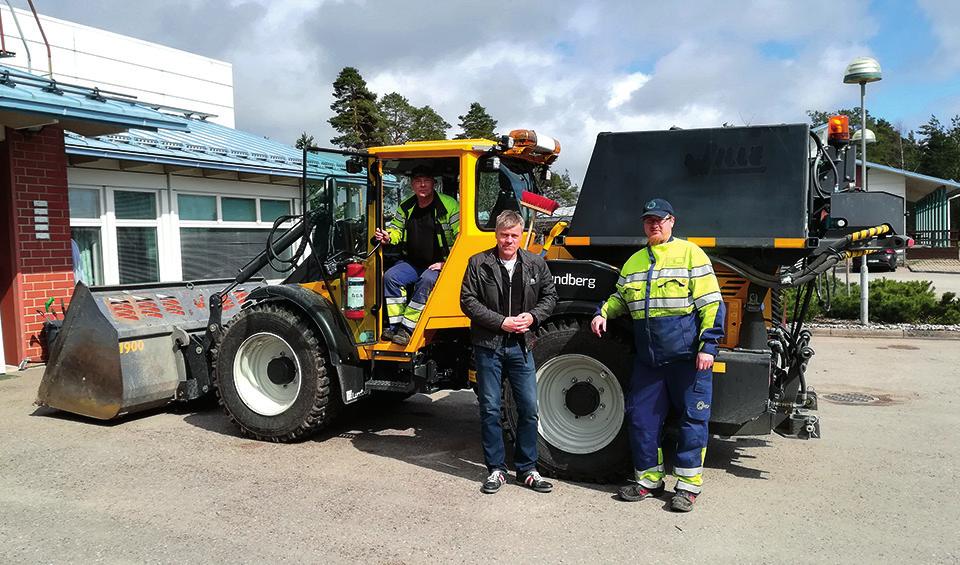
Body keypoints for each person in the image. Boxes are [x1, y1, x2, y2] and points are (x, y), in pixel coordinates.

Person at [591, 198, 725, 512]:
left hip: (687, 359)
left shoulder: (691, 254)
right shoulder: (634, 262)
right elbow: (621, 298)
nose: (654, 225)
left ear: (672, 221)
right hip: (649, 362)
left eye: (660, 220)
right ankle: (648, 480)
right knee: (641, 420)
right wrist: (603, 313)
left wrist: (708, 346)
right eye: (649, 220)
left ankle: (688, 487)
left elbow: (712, 304)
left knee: (693, 421)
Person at [460, 210, 558, 494]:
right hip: (488, 346)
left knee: (528, 408)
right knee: (490, 409)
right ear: (496, 234)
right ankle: (496, 470)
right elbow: (468, 301)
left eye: (514, 235)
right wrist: (500, 322)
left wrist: (533, 317)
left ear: (520, 235)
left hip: (521, 346)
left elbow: (550, 297)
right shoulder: (478, 263)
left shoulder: (535, 264)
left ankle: (527, 469)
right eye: (504, 235)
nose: (509, 240)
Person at [374, 165, 460, 345]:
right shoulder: (406, 206)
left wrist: (448, 264)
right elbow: (396, 230)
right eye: (418, 181)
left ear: (434, 184)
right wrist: (388, 237)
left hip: (440, 264)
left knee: (427, 280)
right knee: (390, 277)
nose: (422, 185)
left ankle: (407, 329)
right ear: (412, 185)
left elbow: (461, 235)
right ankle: (395, 327)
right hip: (412, 262)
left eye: (426, 181)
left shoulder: (449, 205)